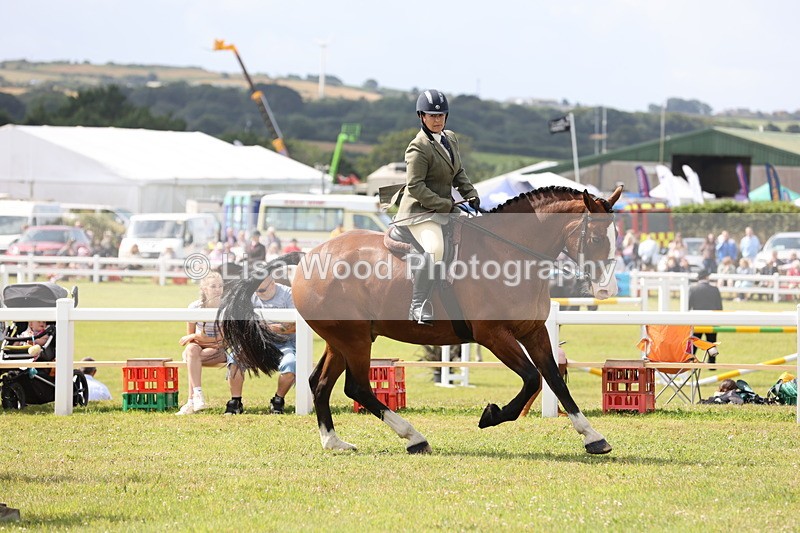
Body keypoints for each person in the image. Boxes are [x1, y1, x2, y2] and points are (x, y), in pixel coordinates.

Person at [394, 89, 480, 324]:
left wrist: (470, 193)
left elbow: (458, 171)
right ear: (421, 117)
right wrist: (446, 205)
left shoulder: (450, 138)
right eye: (432, 116)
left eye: (441, 115)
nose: (437, 120)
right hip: (420, 213)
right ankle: (418, 304)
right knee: (435, 249)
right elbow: (415, 187)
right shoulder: (417, 147)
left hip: (444, 210)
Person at [176, 272, 245, 415]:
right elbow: (190, 340)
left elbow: (222, 340)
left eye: (220, 286)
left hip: (220, 350)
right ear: (204, 288)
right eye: (213, 286)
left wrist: (197, 336)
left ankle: (190, 401)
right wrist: (196, 337)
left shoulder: (227, 307)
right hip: (199, 348)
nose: (218, 289)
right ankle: (197, 395)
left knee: (192, 359)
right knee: (191, 351)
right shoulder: (195, 307)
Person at [252, 274, 297, 414]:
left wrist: (264, 327)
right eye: (256, 290)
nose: (258, 294)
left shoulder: (288, 294)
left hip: (285, 343)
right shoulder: (250, 295)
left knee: (291, 363)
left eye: (261, 291)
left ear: (272, 283)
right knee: (234, 358)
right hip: (257, 342)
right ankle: (235, 401)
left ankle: (278, 399)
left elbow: (293, 325)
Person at [688, 269, 723, 363]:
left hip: (697, 320)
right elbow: (719, 307)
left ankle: (690, 359)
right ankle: (712, 362)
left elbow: (689, 306)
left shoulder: (693, 289)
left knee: (694, 341)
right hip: (711, 320)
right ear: (707, 277)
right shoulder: (714, 289)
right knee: (711, 343)